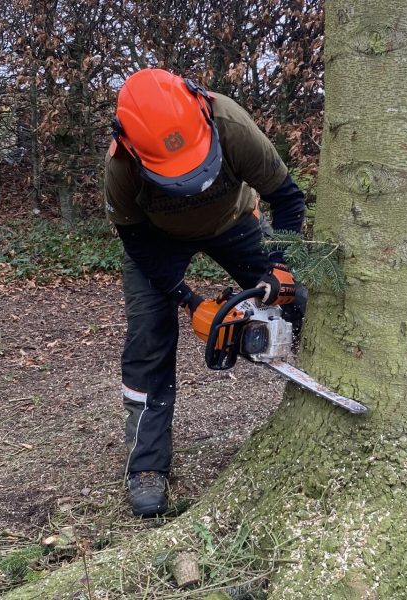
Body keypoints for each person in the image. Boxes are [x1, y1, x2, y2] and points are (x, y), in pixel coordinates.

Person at [104, 68, 307, 517]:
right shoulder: (121, 166)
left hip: (233, 223)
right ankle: (146, 465)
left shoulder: (230, 124)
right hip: (156, 241)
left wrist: (277, 266)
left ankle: (320, 403)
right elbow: (135, 243)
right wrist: (189, 300)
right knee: (148, 340)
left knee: (297, 298)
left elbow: (288, 199)